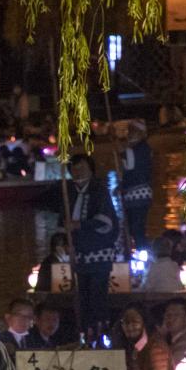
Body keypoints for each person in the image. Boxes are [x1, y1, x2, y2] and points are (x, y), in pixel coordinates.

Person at [62, 154, 119, 340]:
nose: (78, 172)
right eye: (75, 169)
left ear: (91, 169)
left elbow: (106, 220)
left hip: (99, 252)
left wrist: (79, 225)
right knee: (83, 294)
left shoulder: (99, 190)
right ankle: (86, 333)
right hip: (80, 253)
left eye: (82, 168)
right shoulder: (71, 192)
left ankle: (101, 332)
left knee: (97, 293)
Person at [119, 119, 154, 247]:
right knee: (131, 227)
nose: (129, 134)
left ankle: (142, 250)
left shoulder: (142, 148)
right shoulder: (136, 148)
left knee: (136, 227)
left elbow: (131, 165)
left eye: (133, 131)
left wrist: (122, 150)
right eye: (129, 131)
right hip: (132, 194)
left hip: (139, 193)